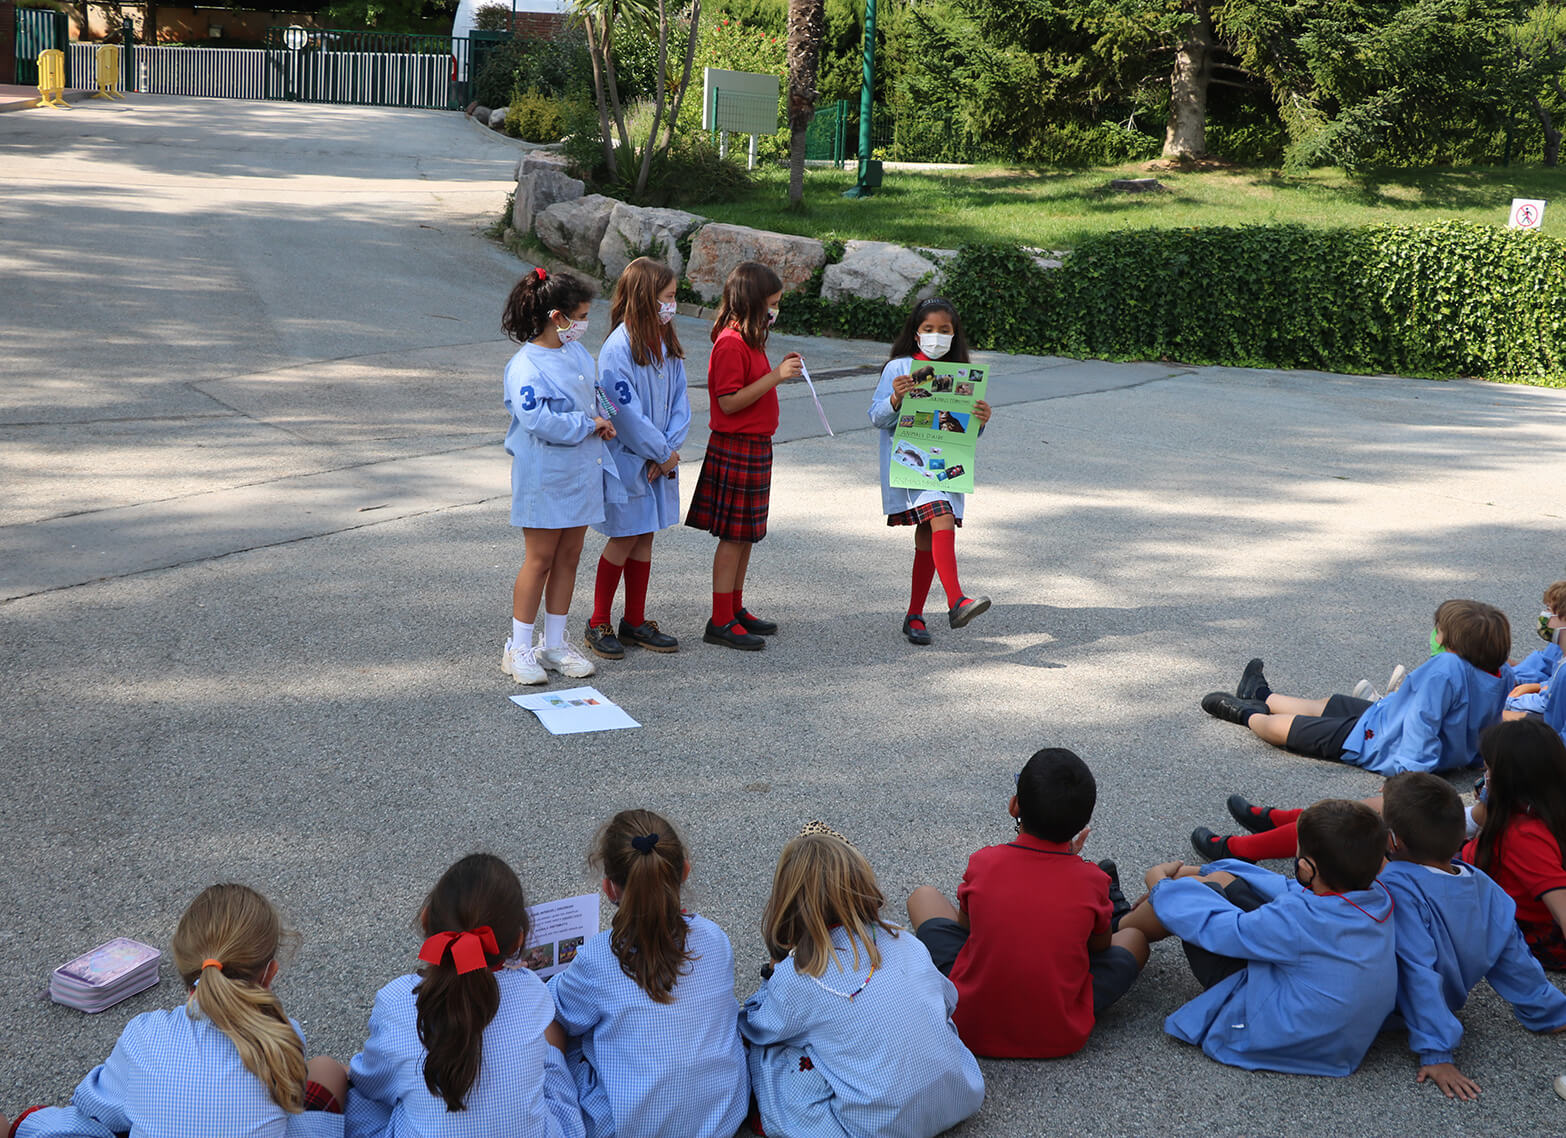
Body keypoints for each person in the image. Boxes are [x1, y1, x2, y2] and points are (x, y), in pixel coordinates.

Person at [6, 884, 346, 1138]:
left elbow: (97, 1108)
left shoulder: (145, 1033)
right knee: (327, 1071)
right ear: (270, 973)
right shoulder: (283, 1035)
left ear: (183, 965)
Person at [1118, 800, 1397, 1076]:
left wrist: (1161, 885)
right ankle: (1121, 919)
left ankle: (1113, 927)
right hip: (1338, 1041)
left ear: (1307, 868)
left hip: (1283, 1035)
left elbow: (1219, 928)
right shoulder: (1376, 899)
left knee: (1191, 895)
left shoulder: (1298, 918)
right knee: (1215, 882)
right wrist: (1207, 870)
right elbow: (1287, 888)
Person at [741, 826, 984, 1138]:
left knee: (773, 1053)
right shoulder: (902, 938)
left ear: (787, 900)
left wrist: (769, 985)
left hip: (880, 1127)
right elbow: (948, 1001)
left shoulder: (797, 974)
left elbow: (758, 1028)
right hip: (961, 1095)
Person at [906, 747, 1147, 1058]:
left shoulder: (984, 862)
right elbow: (1098, 948)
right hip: (1061, 1032)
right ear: (1083, 823)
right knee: (1135, 938)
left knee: (923, 895)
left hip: (971, 1023)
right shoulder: (1093, 881)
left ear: (1014, 806)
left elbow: (967, 928)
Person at [343, 853, 583, 1138]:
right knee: (551, 1051)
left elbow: (370, 1082)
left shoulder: (396, 1000)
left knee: (354, 1090)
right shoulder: (531, 990)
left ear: (425, 920)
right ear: (518, 941)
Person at [547, 810, 748, 1138]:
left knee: (558, 1031)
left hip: (633, 1127)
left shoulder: (597, 959)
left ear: (609, 888)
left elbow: (554, 1011)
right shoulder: (714, 938)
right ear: (684, 871)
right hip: (720, 1119)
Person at [1377, 771, 1566, 1100]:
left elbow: (1416, 970)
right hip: (1449, 998)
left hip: (1394, 1006)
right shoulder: (1480, 882)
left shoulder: (1397, 884)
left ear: (1393, 841)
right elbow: (1513, 959)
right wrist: (1550, 1012)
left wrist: (1437, 1052)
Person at [1199, 599, 1514, 775]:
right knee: (1328, 704)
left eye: (1438, 630)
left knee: (1286, 729)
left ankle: (1247, 715)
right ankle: (1260, 695)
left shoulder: (1446, 668)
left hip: (1381, 741)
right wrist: (1478, 758)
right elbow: (1489, 726)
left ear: (1451, 641)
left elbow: (1423, 722)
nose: (1435, 634)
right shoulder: (1501, 674)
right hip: (1388, 716)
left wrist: (1410, 775)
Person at [501, 267, 621, 686]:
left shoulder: (575, 354)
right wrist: (589, 424)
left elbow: (592, 396)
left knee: (569, 556)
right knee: (540, 558)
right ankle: (519, 647)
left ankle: (554, 643)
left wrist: (602, 417)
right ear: (557, 316)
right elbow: (538, 419)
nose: (584, 324)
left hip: (581, 470)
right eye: (581, 316)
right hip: (544, 474)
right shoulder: (526, 366)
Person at [684, 262, 801, 651]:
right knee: (733, 538)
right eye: (771, 303)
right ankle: (719, 620)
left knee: (746, 535)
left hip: (754, 446)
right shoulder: (730, 343)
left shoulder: (751, 337)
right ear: (752, 302)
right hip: (735, 445)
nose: (774, 311)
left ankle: (733, 608)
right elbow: (729, 403)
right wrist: (776, 377)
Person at [867, 298, 994, 646]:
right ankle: (956, 600)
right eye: (928, 330)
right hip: (910, 464)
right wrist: (895, 399)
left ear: (955, 335)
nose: (936, 336)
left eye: (944, 331)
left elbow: (966, 432)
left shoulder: (962, 375)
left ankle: (915, 614)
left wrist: (981, 420)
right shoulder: (899, 368)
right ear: (915, 332)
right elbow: (876, 417)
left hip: (945, 465)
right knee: (940, 516)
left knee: (929, 535)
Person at [583, 259, 691, 660]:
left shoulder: (664, 344)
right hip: (632, 461)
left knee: (644, 534)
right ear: (647, 299)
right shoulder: (617, 351)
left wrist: (668, 450)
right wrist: (662, 453)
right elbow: (623, 414)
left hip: (657, 460)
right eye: (668, 298)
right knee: (624, 535)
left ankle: (634, 619)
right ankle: (598, 621)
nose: (672, 306)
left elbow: (681, 402)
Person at [1461, 717, 1566, 971]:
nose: (1483, 780)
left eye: (1488, 771)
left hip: (1527, 938)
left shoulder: (1524, 837)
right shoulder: (1537, 812)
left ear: (1509, 781)